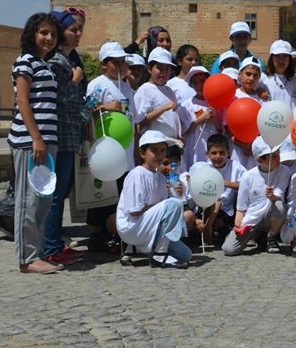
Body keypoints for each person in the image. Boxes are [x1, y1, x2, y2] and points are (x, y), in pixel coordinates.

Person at [9, 13, 63, 274]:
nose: (49, 38)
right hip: (30, 142)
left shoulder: (46, 65)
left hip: (48, 141)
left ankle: (37, 252)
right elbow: (22, 101)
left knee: (43, 198)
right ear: (32, 34)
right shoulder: (25, 62)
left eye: (53, 34)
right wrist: (36, 138)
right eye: (44, 32)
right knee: (27, 200)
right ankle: (26, 258)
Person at [43, 9, 88, 265]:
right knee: (55, 194)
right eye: (74, 30)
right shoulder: (57, 63)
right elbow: (58, 98)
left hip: (71, 134)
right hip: (58, 135)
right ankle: (49, 246)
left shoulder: (70, 61)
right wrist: (75, 80)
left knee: (61, 192)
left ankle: (56, 241)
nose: (79, 34)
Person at [84, 42, 136, 251]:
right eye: (115, 62)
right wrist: (105, 107)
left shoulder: (126, 86)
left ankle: (117, 234)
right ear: (104, 64)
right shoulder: (97, 84)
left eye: (122, 61)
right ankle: (97, 235)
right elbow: (85, 112)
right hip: (105, 151)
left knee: (120, 194)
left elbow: (135, 117)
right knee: (102, 195)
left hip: (126, 152)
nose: (119, 65)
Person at [116, 130, 192, 268]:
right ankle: (159, 254)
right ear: (142, 153)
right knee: (173, 204)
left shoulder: (161, 178)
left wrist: (175, 196)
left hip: (146, 227)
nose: (159, 155)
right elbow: (135, 211)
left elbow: (163, 213)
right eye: (154, 150)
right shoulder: (137, 175)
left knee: (185, 255)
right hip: (131, 227)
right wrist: (168, 204)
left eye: (162, 150)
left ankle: (135, 249)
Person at [222, 137, 292, 256]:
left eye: (278, 154)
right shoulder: (248, 176)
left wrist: (272, 196)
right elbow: (241, 206)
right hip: (253, 217)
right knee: (229, 249)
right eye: (273, 156)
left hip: (272, 214)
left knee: (280, 206)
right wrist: (238, 223)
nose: (278, 158)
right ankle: (258, 236)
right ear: (259, 160)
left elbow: (279, 195)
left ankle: (271, 236)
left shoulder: (284, 171)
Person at [200, 134, 245, 245]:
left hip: (227, 209)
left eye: (221, 153)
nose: (218, 156)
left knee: (220, 219)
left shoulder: (236, 167)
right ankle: (208, 227)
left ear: (228, 153)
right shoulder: (204, 168)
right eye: (214, 153)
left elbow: (246, 185)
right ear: (207, 154)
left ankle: (210, 227)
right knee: (216, 202)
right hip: (207, 206)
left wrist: (226, 183)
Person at [135, 47, 181, 140]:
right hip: (155, 143)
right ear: (149, 69)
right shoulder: (144, 90)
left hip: (173, 143)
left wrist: (179, 135)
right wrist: (163, 108)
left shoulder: (169, 90)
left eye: (167, 69)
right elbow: (140, 122)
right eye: (159, 68)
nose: (163, 73)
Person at [178, 66, 219, 166]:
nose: (199, 85)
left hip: (214, 150)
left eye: (202, 81)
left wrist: (214, 120)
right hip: (194, 150)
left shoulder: (217, 102)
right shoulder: (187, 105)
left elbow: (222, 128)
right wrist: (201, 119)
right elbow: (184, 131)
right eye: (195, 83)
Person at [262, 40, 296, 109]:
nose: (281, 60)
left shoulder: (295, 81)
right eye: (277, 56)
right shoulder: (263, 79)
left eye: (285, 56)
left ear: (290, 59)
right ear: (271, 58)